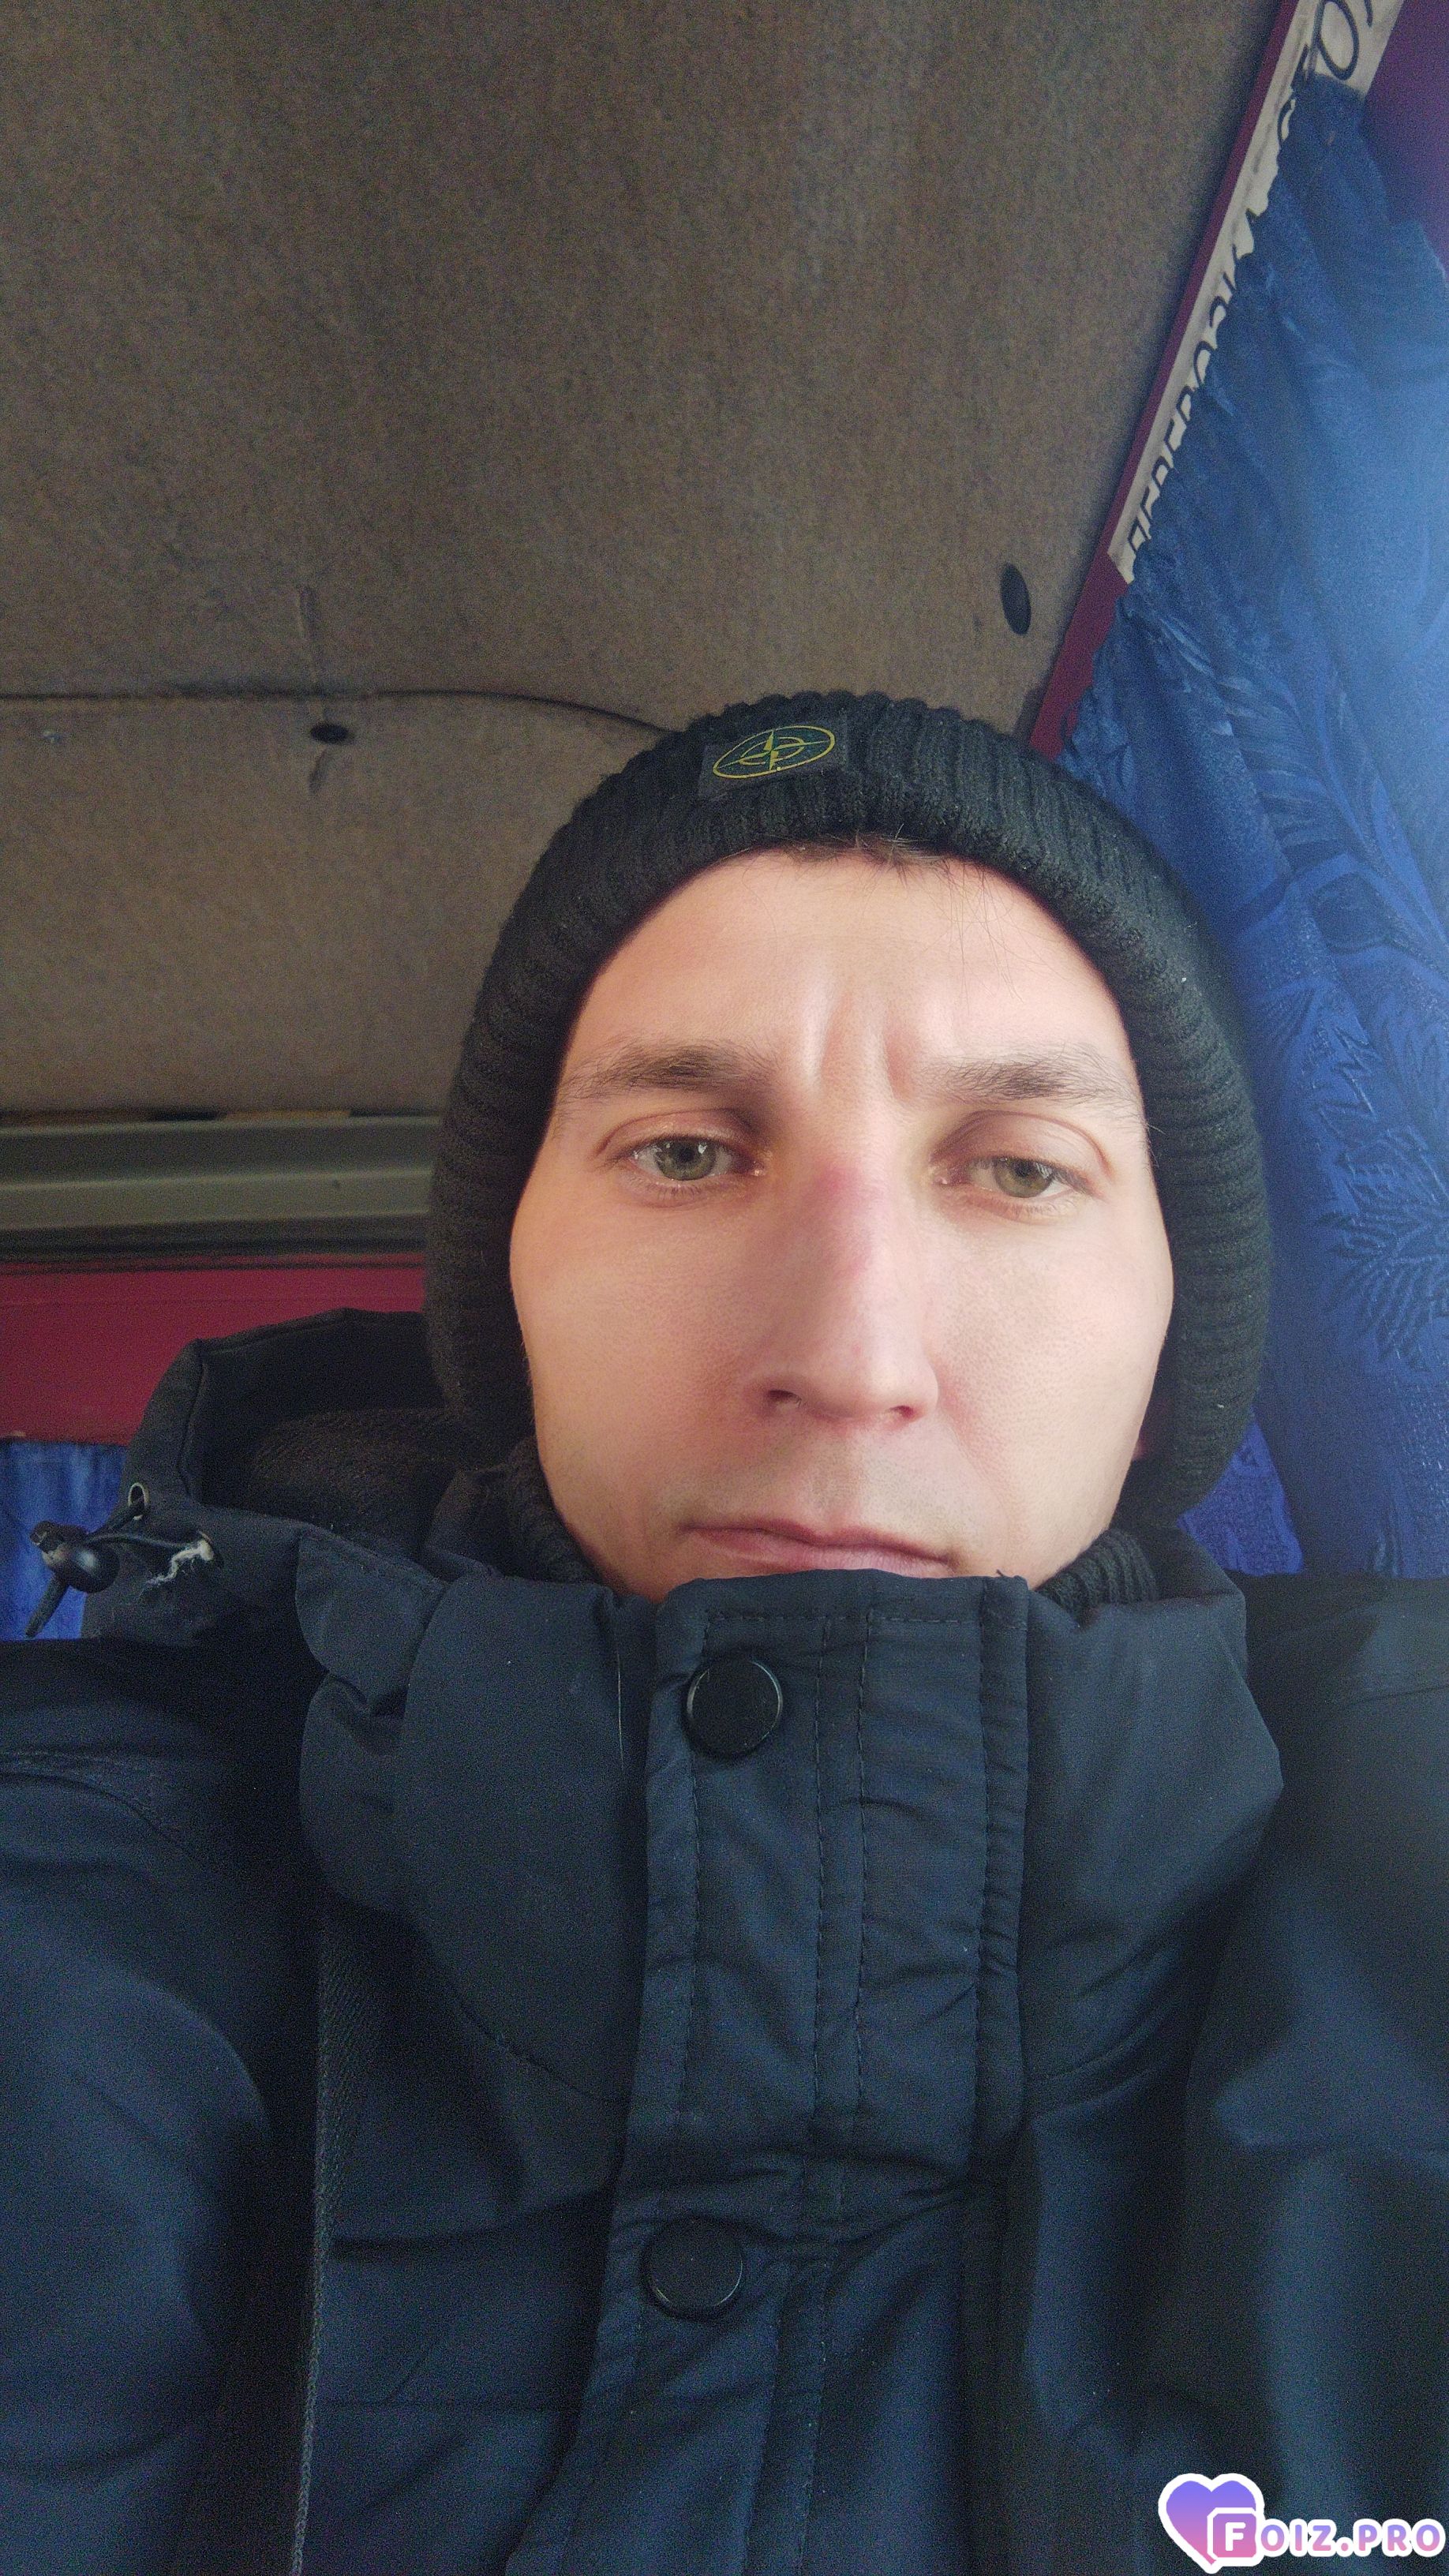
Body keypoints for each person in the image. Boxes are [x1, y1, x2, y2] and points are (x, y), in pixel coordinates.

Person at [2, 691, 1445, 2576]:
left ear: (1178, 1331)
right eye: (687, 1152)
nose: (850, 1357)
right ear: (506, 1283)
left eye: (1018, 1167)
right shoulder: (64, 1898)